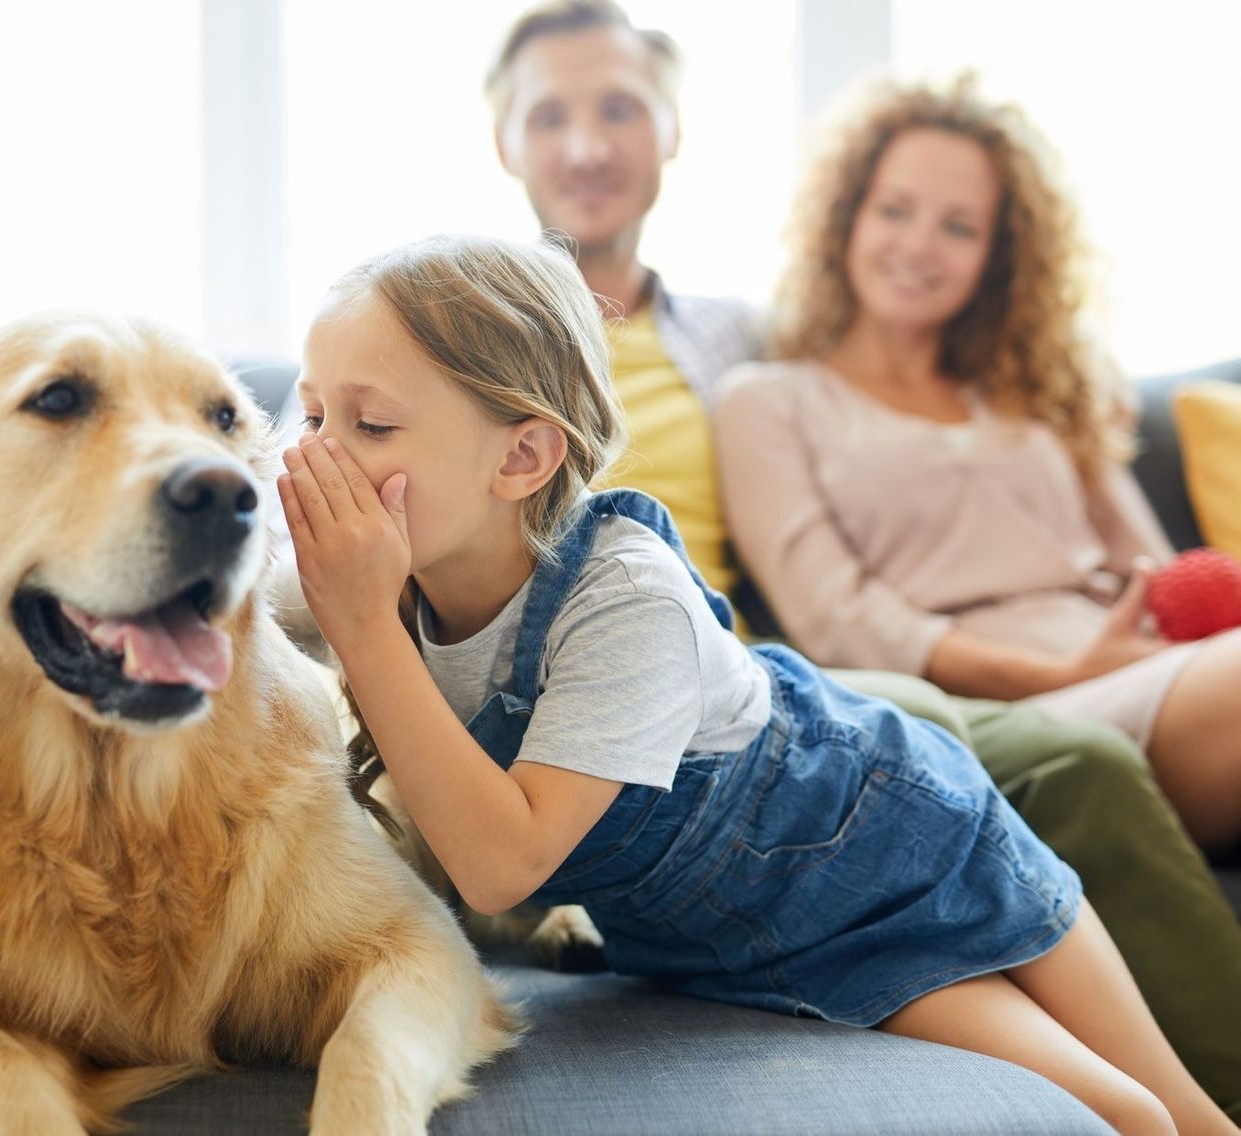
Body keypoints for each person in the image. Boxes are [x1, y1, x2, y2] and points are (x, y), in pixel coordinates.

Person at [277, 231, 1235, 1135]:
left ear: (522, 457)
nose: (314, 456)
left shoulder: (622, 599)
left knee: (1151, 1117)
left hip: (898, 853)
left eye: (369, 424)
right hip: (713, 945)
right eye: (313, 414)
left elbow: (500, 865)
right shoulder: (379, 578)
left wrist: (363, 626)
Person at [481, 0, 1241, 1117]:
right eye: (550, 116)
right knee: (1029, 756)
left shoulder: (738, 335)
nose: (587, 145)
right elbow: (843, 614)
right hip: (670, 679)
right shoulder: (468, 338)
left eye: (619, 109)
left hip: (759, 674)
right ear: (503, 140)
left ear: (674, 130)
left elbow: (1152, 567)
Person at [713, 76, 1241, 854]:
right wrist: (1064, 674)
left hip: (1144, 669)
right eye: (895, 210)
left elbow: (1153, 572)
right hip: (1006, 711)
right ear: (846, 217)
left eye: (959, 226)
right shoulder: (767, 401)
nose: (919, 245)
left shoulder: (1035, 390)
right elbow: (841, 622)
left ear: (997, 255)